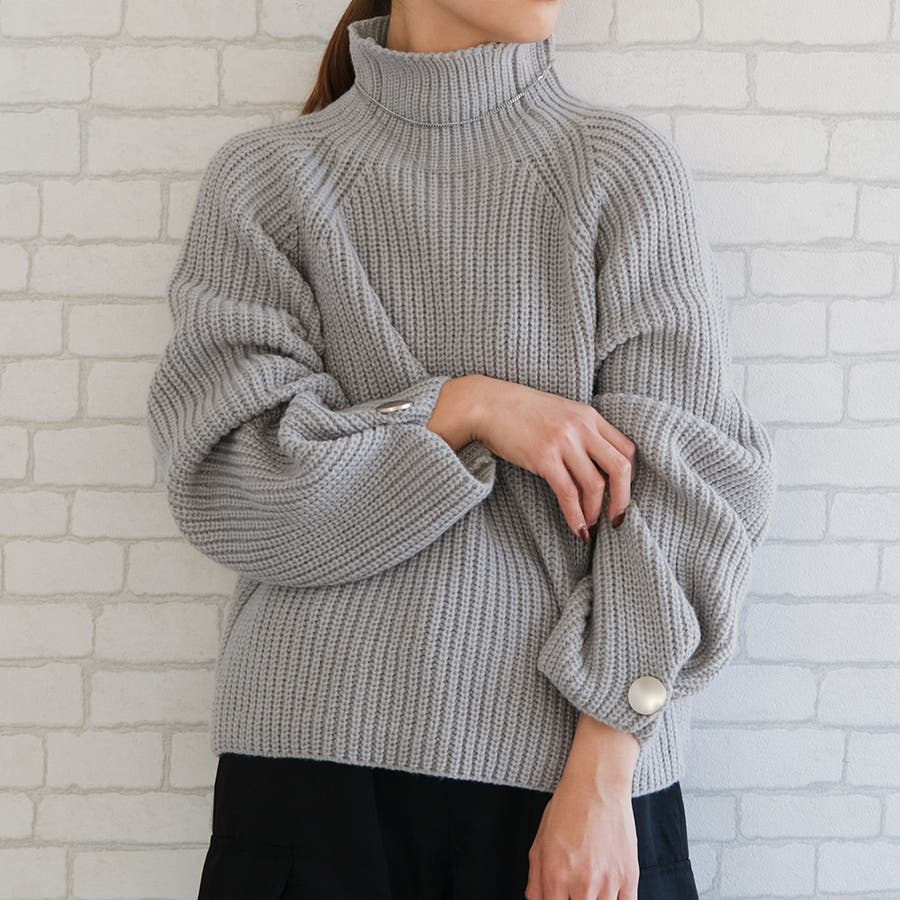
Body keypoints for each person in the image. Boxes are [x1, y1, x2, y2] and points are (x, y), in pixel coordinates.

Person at [145, 1, 778, 898]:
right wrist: (462, 408)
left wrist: (605, 760)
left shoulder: (617, 169)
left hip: (567, 783)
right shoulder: (269, 180)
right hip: (312, 777)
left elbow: (690, 494)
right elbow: (232, 484)